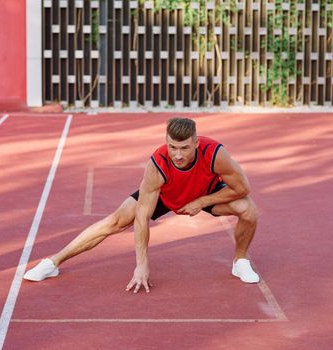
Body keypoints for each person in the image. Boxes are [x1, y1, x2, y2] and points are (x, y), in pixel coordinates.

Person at [24, 117, 260, 293]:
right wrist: (142, 264)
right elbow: (141, 217)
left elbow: (242, 188)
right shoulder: (157, 165)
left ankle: (240, 262)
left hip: (204, 193)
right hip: (166, 195)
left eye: (184, 148)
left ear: (196, 143)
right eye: (172, 147)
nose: (178, 154)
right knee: (115, 221)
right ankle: (53, 262)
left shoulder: (215, 154)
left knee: (248, 210)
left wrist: (203, 201)